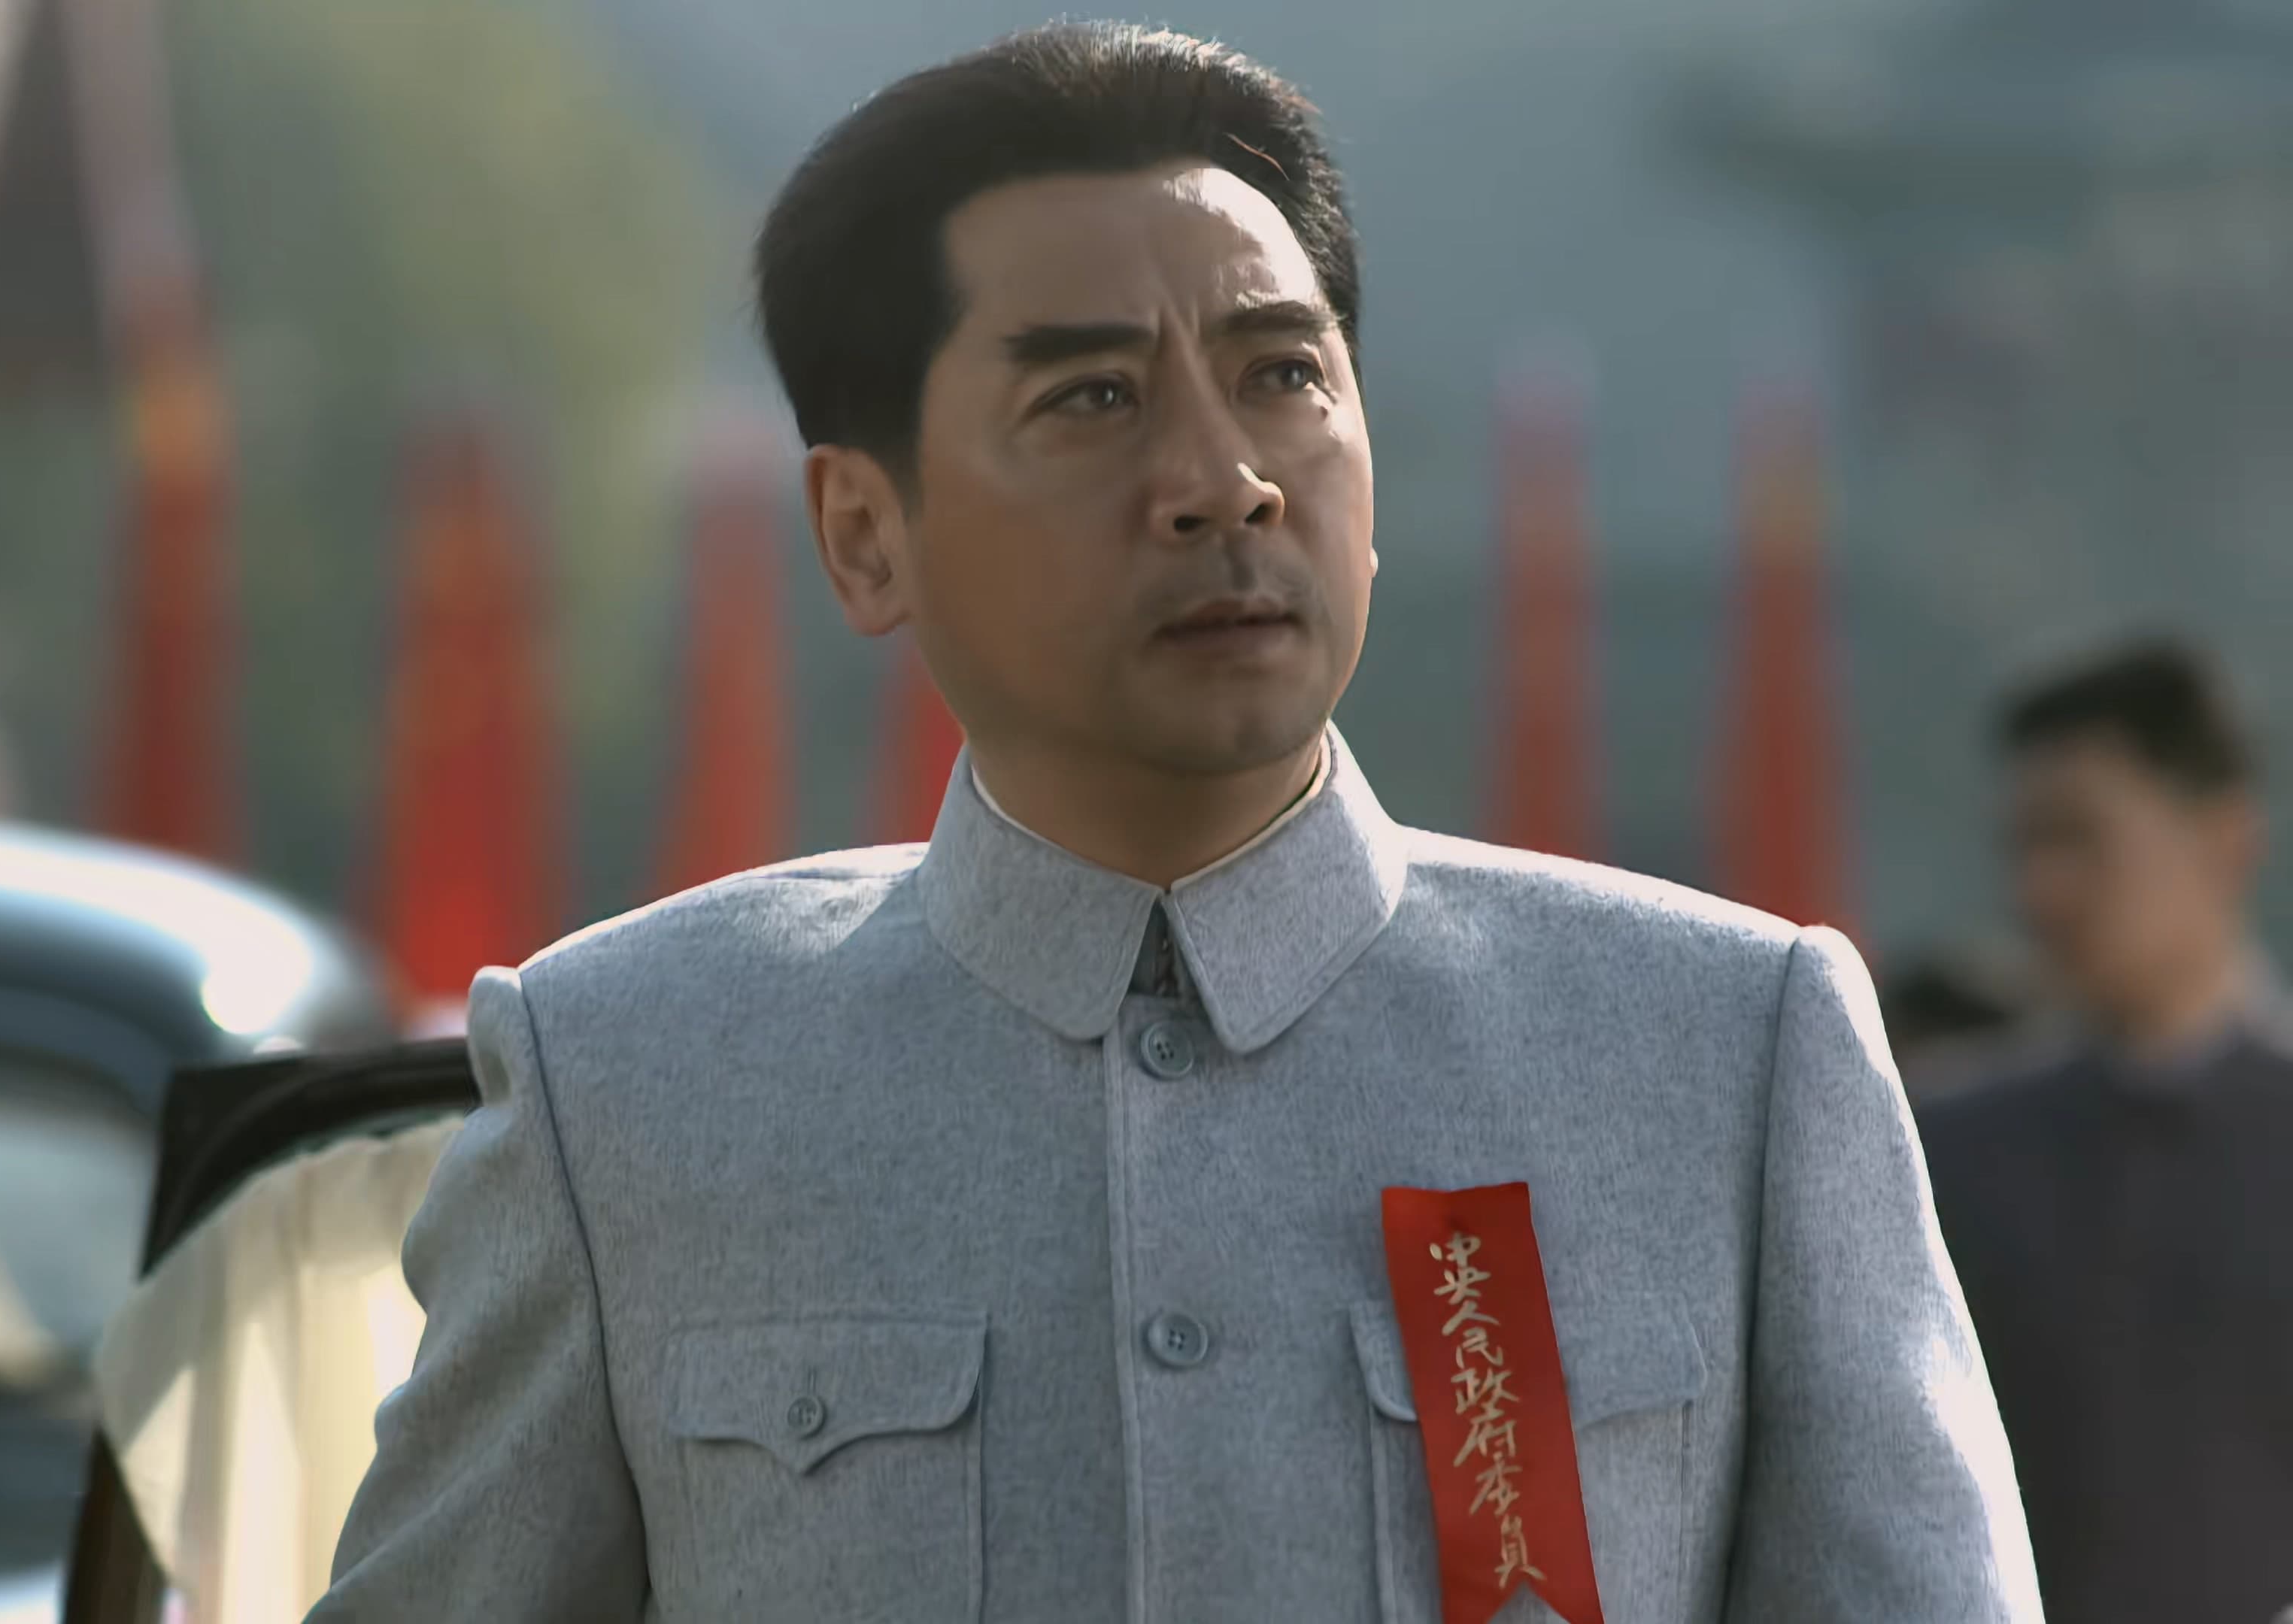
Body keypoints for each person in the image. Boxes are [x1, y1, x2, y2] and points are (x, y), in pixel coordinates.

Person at [311, 23, 2037, 1622]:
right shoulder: (631, 1086)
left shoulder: (1723, 1057)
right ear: (862, 535)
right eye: (1092, 398)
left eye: (1283, 373)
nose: (1226, 480)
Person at [1918, 640, 2293, 1624]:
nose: (2040, 889)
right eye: (2024, 847)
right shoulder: (1946, 1149)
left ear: (2225, 839)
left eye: (2081, 839)